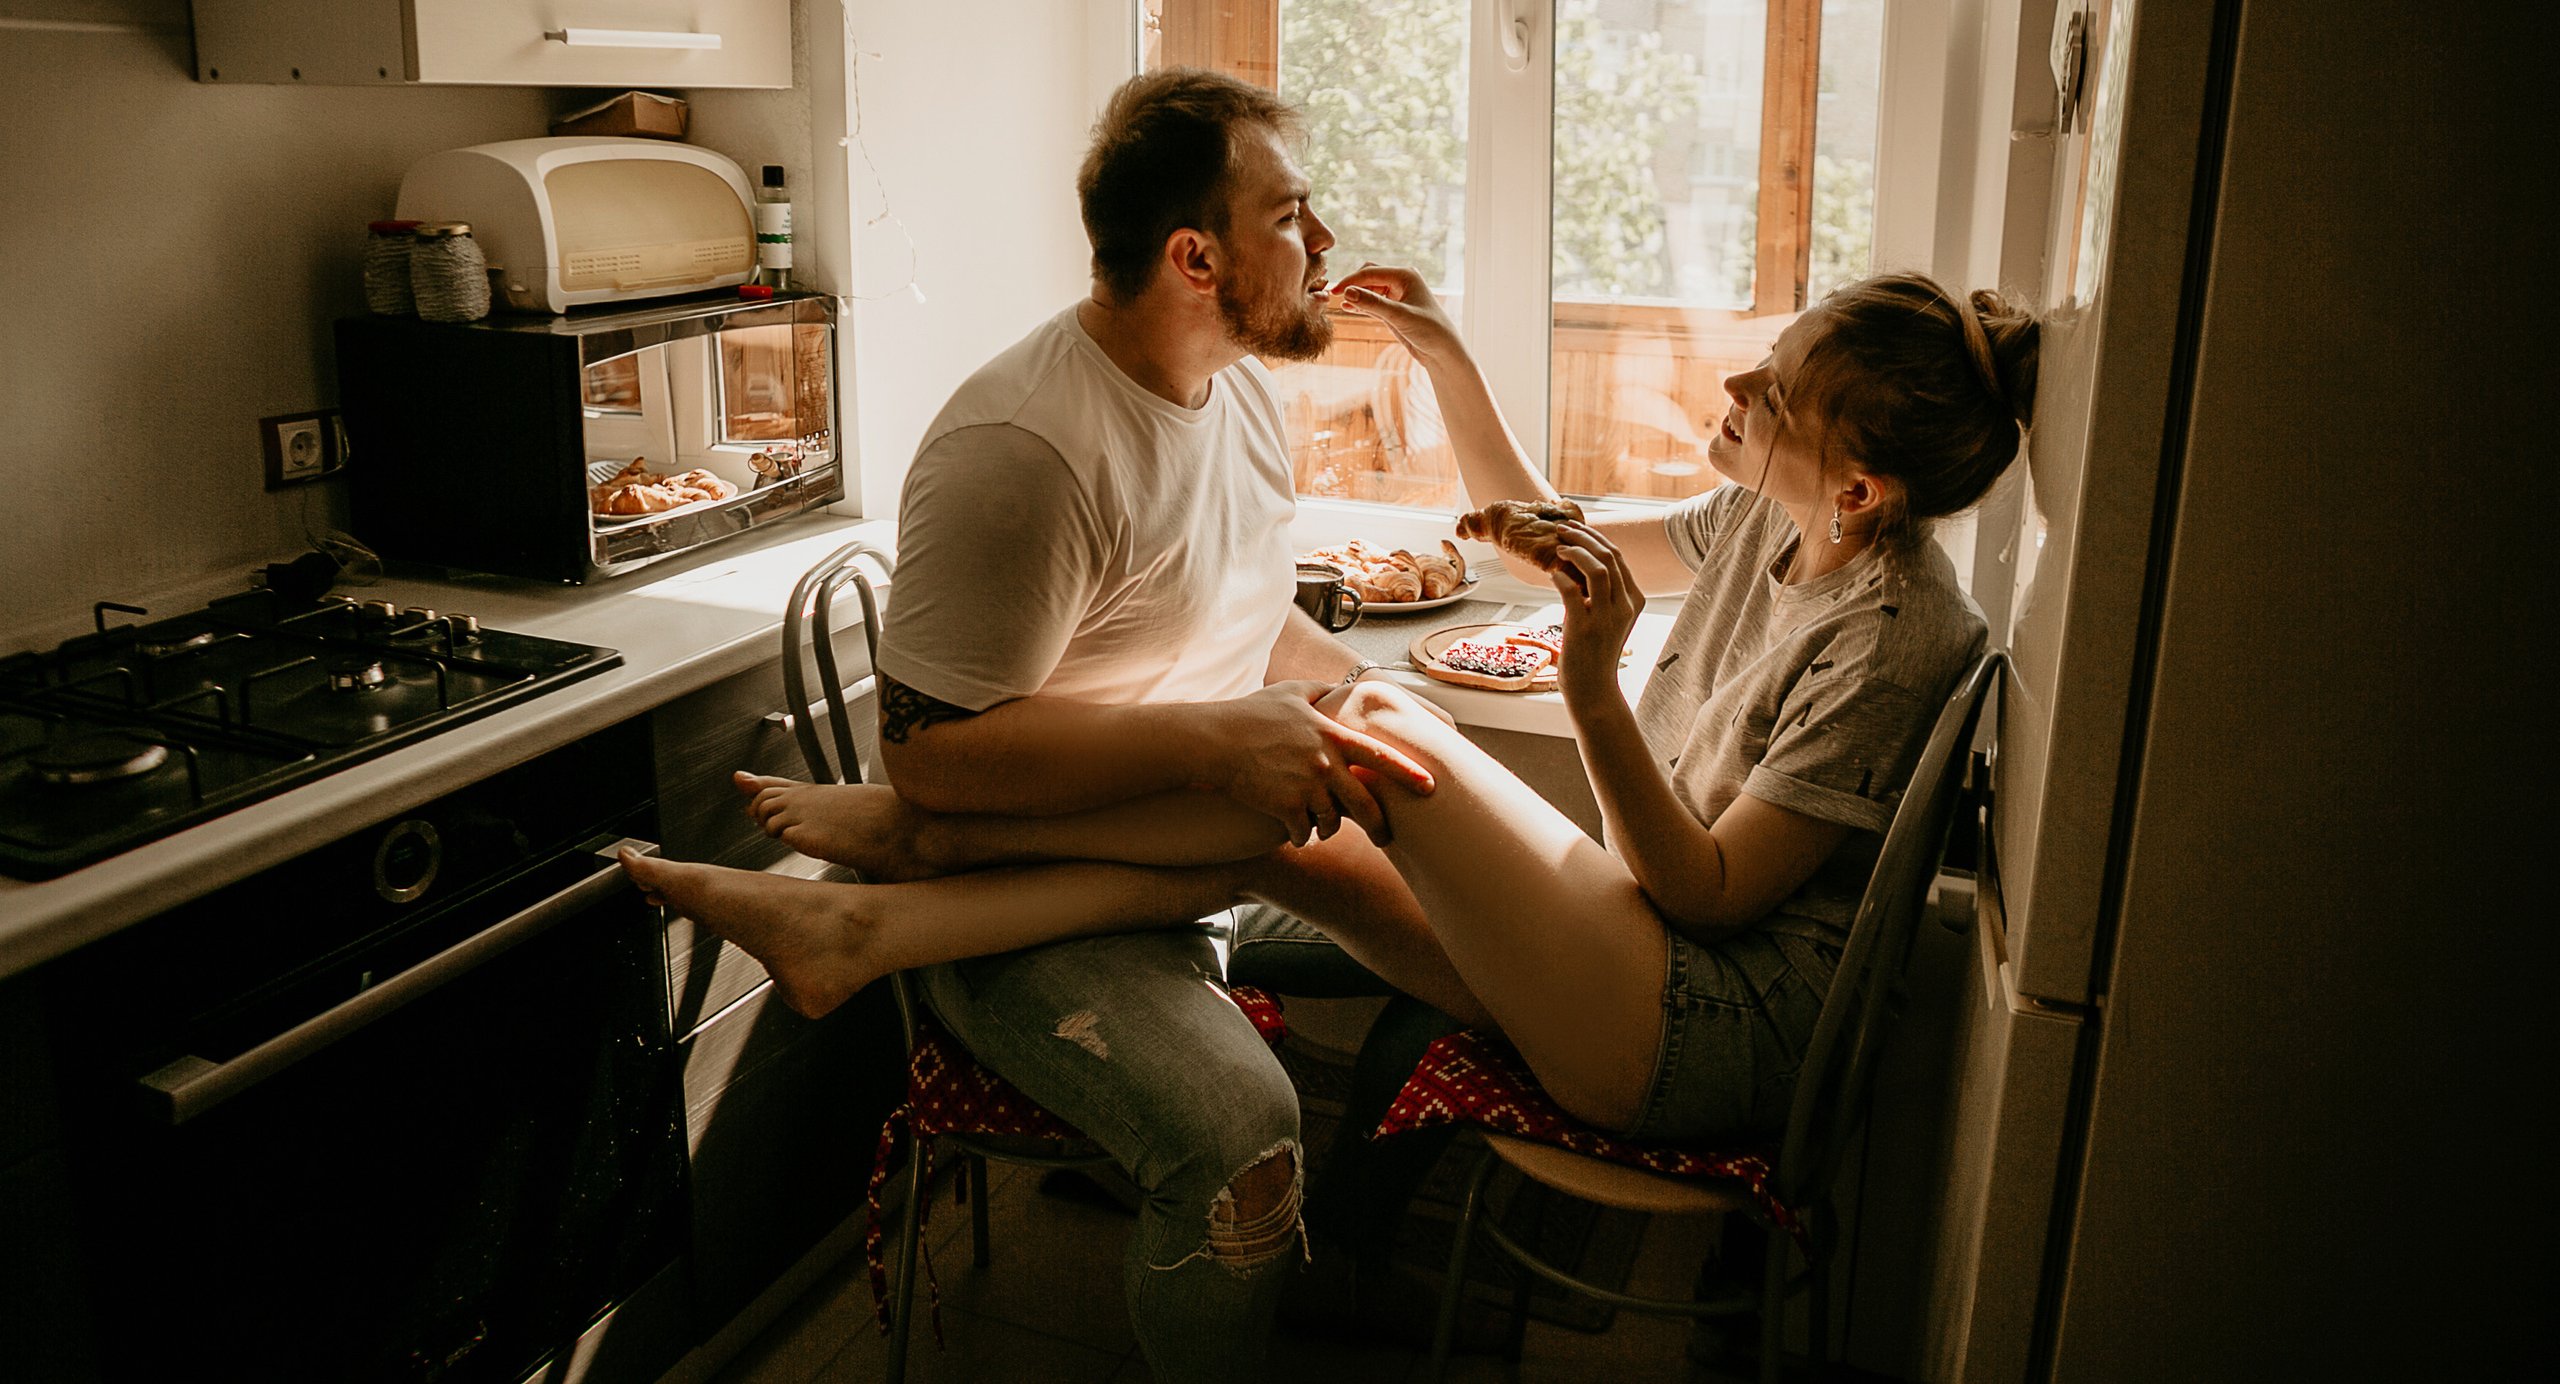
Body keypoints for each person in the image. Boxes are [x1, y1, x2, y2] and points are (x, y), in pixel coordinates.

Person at [626, 260, 2035, 1328]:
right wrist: (1442, 348)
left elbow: (1712, 889)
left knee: (1360, 726)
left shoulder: (1900, 631)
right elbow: (1537, 526)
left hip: (1694, 1028)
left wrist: (1596, 687)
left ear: (1858, 492)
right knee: (1292, 830)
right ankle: (867, 929)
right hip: (1641, 953)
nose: (1731, 394)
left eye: (1767, 393)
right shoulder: (1769, 513)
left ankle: (921, 832)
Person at [673, 67, 1444, 1380]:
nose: (1321, 244)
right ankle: (1239, 1239)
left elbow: (1252, 617)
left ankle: (1346, 1263)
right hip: (1029, 889)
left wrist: (1367, 703)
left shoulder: (1241, 393)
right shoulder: (1027, 448)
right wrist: (1218, 740)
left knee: (1472, 946)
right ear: (1196, 254)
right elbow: (927, 756)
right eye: (1293, 216)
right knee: (1243, 1145)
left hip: (1168, 842)